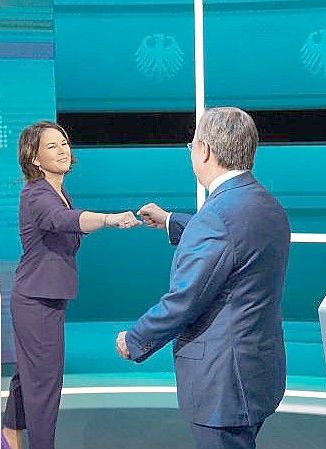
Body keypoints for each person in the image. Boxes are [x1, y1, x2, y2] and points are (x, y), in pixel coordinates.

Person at [116, 107, 291, 449]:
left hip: (222, 381)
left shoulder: (217, 218)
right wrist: (170, 220)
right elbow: (235, 241)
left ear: (206, 151)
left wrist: (135, 339)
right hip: (257, 370)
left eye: (192, 144)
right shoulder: (266, 204)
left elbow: (183, 301)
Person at [2, 121, 141, 449]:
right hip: (36, 300)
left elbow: (69, 222)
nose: (63, 149)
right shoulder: (37, 195)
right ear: (34, 159)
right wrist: (109, 219)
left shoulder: (59, 192)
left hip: (43, 297)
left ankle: (9, 432)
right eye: (52, 146)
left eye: (64, 142)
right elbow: (64, 221)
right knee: (45, 387)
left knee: (31, 374)